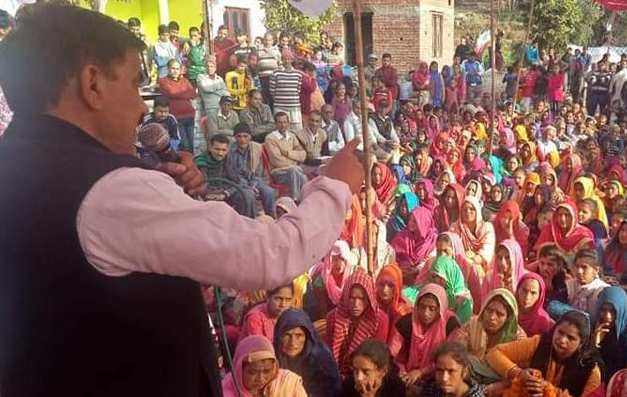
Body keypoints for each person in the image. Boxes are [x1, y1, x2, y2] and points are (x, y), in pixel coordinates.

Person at [0, 11, 363, 397]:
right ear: (93, 84)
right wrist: (335, 186)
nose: (142, 107)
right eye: (133, 84)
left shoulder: (16, 164)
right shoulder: (111, 190)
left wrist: (166, 198)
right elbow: (268, 257)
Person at [486, 310, 604, 397]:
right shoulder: (540, 343)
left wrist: (549, 390)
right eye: (560, 332)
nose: (562, 340)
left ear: (581, 344)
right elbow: (494, 353)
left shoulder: (591, 369)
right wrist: (518, 373)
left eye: (570, 338)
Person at [389, 283, 461, 387]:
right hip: (407, 374)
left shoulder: (450, 324)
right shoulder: (405, 323)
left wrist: (421, 372)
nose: (426, 313)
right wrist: (402, 372)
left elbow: (452, 357)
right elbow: (392, 354)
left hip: (440, 374)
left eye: (432, 308)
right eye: (422, 307)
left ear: (441, 308)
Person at [325, 268, 389, 374]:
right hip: (336, 370)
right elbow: (328, 352)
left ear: (369, 299)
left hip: (367, 372)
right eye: (352, 298)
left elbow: (378, 355)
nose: (356, 304)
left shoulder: (380, 320)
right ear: (345, 296)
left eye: (362, 299)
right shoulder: (333, 317)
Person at [274, 309, 342, 397]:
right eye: (287, 335)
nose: (292, 342)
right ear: (279, 336)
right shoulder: (272, 360)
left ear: (307, 337)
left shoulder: (322, 363)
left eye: (299, 335)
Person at [194, 133, 259, 218]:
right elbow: (201, 185)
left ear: (227, 150)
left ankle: (245, 225)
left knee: (248, 195)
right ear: (210, 148)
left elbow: (236, 181)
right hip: (208, 194)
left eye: (223, 150)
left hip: (224, 191)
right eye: (217, 149)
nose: (220, 153)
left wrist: (225, 194)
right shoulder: (201, 162)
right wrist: (213, 195)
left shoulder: (228, 159)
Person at [223, 335, 308, 397]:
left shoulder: (288, 383)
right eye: (252, 372)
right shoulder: (225, 390)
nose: (261, 379)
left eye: (267, 371)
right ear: (239, 370)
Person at [593, 286, 627, 379]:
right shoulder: (597, 325)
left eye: (613, 311)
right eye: (603, 310)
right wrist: (594, 345)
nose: (607, 316)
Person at [228, 122, 279, 217]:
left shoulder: (256, 149)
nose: (242, 140)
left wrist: (253, 184)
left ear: (250, 137)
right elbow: (232, 175)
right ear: (234, 138)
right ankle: (250, 221)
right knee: (249, 194)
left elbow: (258, 173)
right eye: (239, 136)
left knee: (269, 192)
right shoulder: (230, 152)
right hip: (238, 183)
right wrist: (248, 186)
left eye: (245, 136)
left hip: (254, 181)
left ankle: (271, 218)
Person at [338, 339, 407, 397]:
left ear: (383, 371)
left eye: (366, 372)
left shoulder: (395, 388)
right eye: (355, 370)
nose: (359, 378)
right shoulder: (348, 385)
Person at [264, 112, 308, 199]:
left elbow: (303, 156)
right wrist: (295, 159)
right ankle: (296, 199)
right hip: (279, 173)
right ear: (275, 124)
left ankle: (298, 199)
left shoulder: (292, 136)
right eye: (280, 122)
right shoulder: (270, 138)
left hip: (295, 171)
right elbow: (278, 161)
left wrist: (287, 154)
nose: (283, 125)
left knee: (298, 174)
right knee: (298, 174)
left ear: (288, 123)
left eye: (285, 122)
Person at [419, 342, 486, 397]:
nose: (444, 378)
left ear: (464, 371)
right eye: (439, 370)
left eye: (451, 371)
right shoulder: (433, 389)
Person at [158, 58, 197, 153]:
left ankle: (192, 165)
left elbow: (193, 94)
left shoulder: (185, 81)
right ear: (168, 68)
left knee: (192, 144)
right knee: (184, 145)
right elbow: (172, 93)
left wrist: (178, 94)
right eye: (173, 68)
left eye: (177, 69)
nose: (175, 71)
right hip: (176, 118)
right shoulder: (163, 81)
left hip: (190, 115)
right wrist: (184, 93)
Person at [271, 50, 304, 131]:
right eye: (284, 59)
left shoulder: (298, 74)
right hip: (280, 106)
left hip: (294, 107)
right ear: (282, 60)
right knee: (281, 129)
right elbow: (272, 91)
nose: (287, 61)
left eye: (289, 59)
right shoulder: (275, 73)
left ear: (292, 59)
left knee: (296, 130)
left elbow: (298, 90)